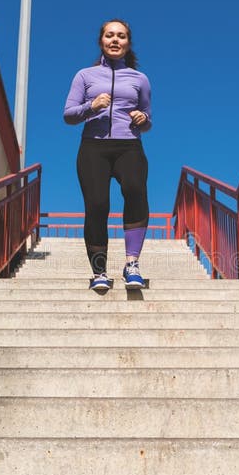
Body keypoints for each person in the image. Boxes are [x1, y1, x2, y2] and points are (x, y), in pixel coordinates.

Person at [63, 19, 152, 290]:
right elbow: (68, 115)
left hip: (129, 146)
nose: (115, 40)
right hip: (93, 147)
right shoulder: (84, 76)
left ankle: (132, 264)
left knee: (135, 190)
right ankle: (99, 272)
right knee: (98, 205)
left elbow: (148, 120)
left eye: (121, 36)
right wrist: (92, 105)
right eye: (110, 35)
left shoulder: (140, 79)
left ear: (128, 43)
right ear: (101, 41)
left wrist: (141, 118)